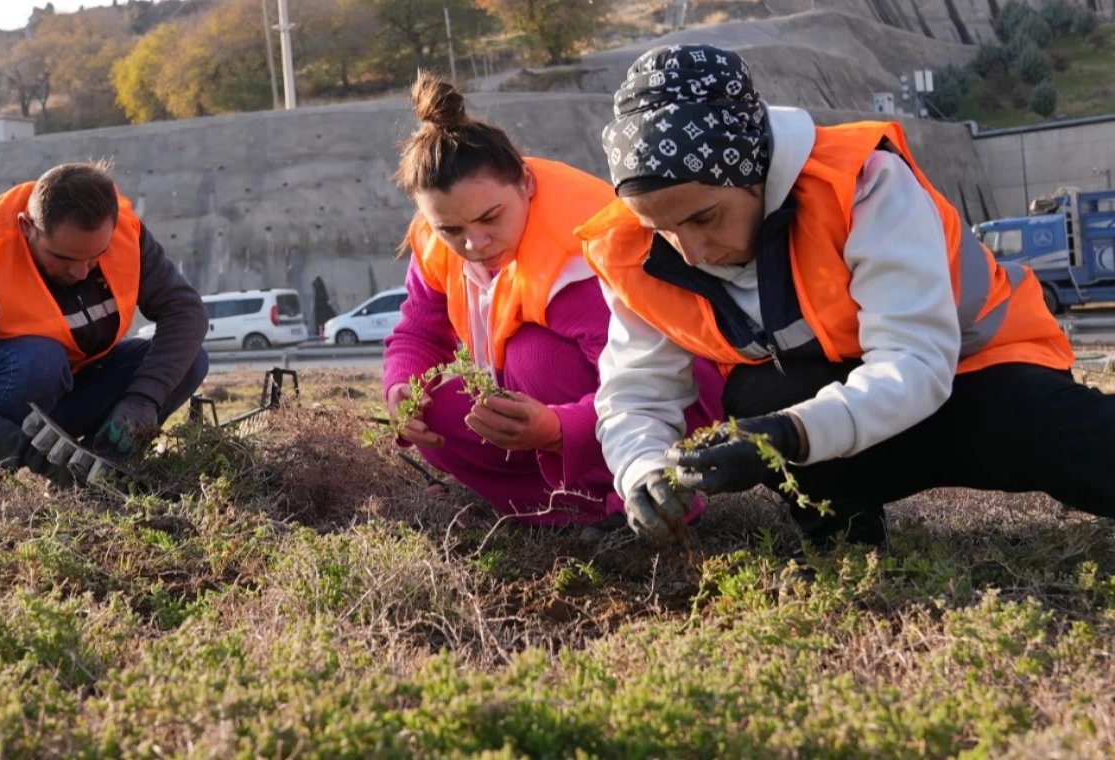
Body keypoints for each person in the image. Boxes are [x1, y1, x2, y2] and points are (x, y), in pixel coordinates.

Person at [579, 43, 1115, 549]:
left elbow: (916, 362)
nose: (689, 251)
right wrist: (640, 470)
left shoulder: (864, 184)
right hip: (843, 423)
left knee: (1055, 428)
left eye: (704, 218)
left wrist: (787, 435)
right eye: (664, 230)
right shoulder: (632, 251)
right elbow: (636, 395)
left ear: (755, 169)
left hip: (979, 381)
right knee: (757, 394)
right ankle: (845, 542)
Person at [383, 72, 725, 528]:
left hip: (688, 401)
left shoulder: (584, 258)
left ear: (526, 182)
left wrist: (559, 428)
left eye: (490, 217)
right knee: (438, 409)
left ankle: (642, 497)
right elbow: (418, 331)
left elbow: (670, 386)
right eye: (452, 230)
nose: (475, 243)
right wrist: (400, 388)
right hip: (558, 421)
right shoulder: (434, 243)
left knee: (533, 358)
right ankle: (561, 511)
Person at [0, 161, 209, 484]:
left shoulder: (124, 232)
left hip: (60, 392)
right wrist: (35, 457)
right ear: (27, 227)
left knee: (190, 360)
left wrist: (144, 398)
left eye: (95, 256)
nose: (82, 272)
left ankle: (100, 474)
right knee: (39, 360)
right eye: (64, 258)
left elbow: (186, 312)